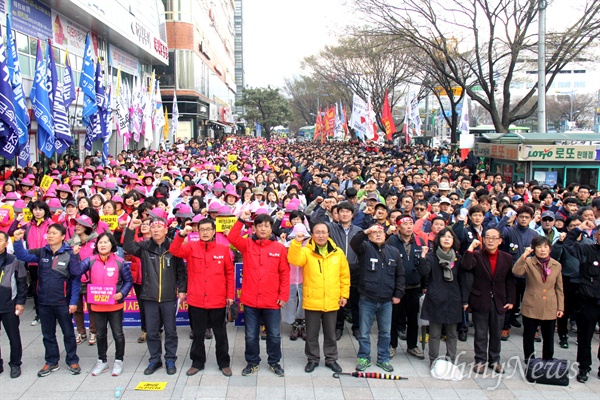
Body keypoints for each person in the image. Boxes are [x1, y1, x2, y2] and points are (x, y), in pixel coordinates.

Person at [13, 224, 82, 377]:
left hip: (63, 301)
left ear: (63, 236)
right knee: (47, 334)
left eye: (54, 233)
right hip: (44, 300)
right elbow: (22, 256)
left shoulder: (70, 254)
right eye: (48, 233)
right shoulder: (41, 252)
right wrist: (18, 241)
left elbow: (76, 280)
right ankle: (52, 360)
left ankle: (72, 360)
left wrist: (73, 302)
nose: (50, 236)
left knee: (68, 333)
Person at [228, 209, 290, 377]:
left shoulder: (279, 248)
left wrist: (283, 296)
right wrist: (241, 219)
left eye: (267, 226)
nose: (263, 229)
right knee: (250, 335)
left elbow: (285, 273)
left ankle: (274, 362)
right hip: (250, 300)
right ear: (254, 228)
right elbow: (232, 238)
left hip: (272, 301)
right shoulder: (247, 245)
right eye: (260, 226)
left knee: (274, 335)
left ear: (272, 229)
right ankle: (252, 362)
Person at [170, 219, 234, 377]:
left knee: (220, 334)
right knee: (198, 334)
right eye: (202, 230)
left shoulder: (223, 249)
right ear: (197, 232)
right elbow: (174, 250)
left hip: (217, 300)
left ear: (214, 232)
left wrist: (230, 295)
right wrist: (181, 234)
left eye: (208, 229)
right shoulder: (191, 247)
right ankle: (197, 362)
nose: (205, 232)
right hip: (197, 300)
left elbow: (229, 274)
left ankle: (224, 363)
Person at [123, 216, 187, 376]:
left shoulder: (174, 247)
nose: (156, 230)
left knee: (171, 331)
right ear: (149, 231)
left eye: (159, 227)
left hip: (168, 296)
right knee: (152, 331)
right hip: (149, 296)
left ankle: (170, 358)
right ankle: (155, 359)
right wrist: (131, 229)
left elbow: (181, 270)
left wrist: (182, 289)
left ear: (166, 230)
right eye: (153, 228)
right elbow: (128, 246)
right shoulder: (145, 247)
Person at [287, 222, 350, 373]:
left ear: (328, 234)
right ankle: (312, 359)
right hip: (312, 299)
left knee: (330, 333)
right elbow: (294, 260)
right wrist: (296, 242)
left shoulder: (338, 252)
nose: (321, 235)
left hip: (331, 299)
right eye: (317, 232)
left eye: (324, 232)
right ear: (312, 235)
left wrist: (344, 295)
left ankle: (331, 359)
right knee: (312, 334)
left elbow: (344, 276)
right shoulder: (306, 251)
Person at [70, 232, 133, 377]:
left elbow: (128, 281)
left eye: (106, 242)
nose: (103, 245)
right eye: (100, 242)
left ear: (112, 244)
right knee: (100, 335)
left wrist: (122, 293)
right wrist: (74, 256)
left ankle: (118, 361)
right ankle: (102, 360)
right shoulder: (90, 260)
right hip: (97, 305)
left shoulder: (120, 261)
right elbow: (76, 271)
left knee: (118, 334)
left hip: (115, 305)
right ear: (96, 245)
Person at [350, 223, 405, 373]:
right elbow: (354, 242)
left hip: (387, 300)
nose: (378, 234)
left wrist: (398, 294)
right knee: (364, 331)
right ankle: (363, 357)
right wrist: (367, 230)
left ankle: (383, 358)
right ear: (369, 236)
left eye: (381, 232)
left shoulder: (393, 252)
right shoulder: (365, 249)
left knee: (385, 332)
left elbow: (400, 275)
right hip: (367, 298)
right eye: (375, 233)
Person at [462, 229, 516, 374]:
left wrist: (511, 299)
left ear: (500, 241)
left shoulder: (507, 257)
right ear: (483, 240)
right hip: (480, 298)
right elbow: (466, 266)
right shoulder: (477, 255)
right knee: (480, 332)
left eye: (494, 238)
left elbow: (510, 280)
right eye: (488, 238)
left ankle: (495, 360)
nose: (490, 240)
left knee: (496, 332)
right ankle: (480, 360)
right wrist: (470, 249)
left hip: (499, 299)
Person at [420, 228, 470, 366]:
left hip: (453, 298)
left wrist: (465, 300)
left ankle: (451, 359)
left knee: (452, 333)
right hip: (436, 298)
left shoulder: (458, 258)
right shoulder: (431, 256)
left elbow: (463, 280)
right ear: (438, 239)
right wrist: (423, 257)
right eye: (443, 236)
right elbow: (424, 272)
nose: (447, 239)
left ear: (454, 240)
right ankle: (433, 359)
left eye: (450, 237)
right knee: (435, 333)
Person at [512, 236, 563, 363]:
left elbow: (559, 288)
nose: (542, 250)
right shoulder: (529, 262)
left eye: (546, 247)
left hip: (549, 305)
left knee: (548, 336)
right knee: (529, 336)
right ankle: (529, 360)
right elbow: (516, 271)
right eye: (539, 247)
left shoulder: (556, 265)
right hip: (532, 303)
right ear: (534, 249)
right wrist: (524, 255)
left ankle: (547, 360)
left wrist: (560, 307)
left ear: (550, 249)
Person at [562, 219, 600, 383]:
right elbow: (568, 245)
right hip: (588, 301)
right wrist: (579, 229)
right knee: (585, 338)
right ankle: (584, 368)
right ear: (596, 235)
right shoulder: (587, 249)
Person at [0, 231, 27, 378]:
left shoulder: (14, 260)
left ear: (6, 243)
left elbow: (22, 282)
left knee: (13, 336)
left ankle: (15, 364)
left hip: (9, 304)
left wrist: (21, 302)